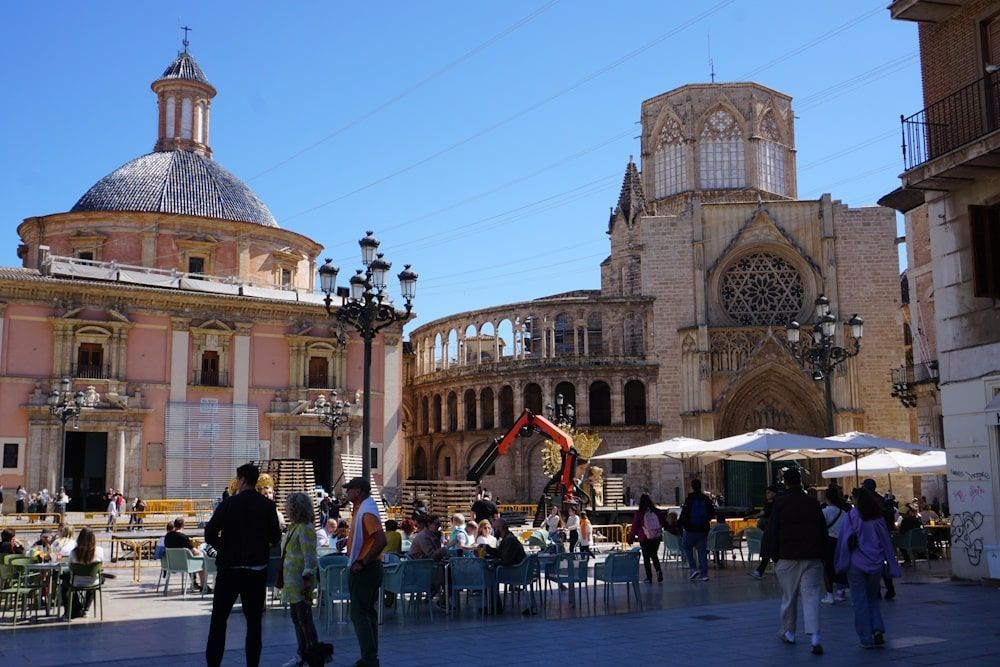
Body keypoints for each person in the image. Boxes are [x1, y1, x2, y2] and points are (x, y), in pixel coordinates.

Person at [205, 463, 282, 667]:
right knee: (254, 624)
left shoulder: (228, 504)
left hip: (229, 569)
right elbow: (275, 536)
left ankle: (213, 664)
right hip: (256, 570)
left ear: (240, 479)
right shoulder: (267, 506)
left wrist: (225, 547)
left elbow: (209, 533)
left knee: (219, 622)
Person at [765, 468, 826, 655]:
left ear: (785, 482)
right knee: (812, 596)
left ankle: (789, 632)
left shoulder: (780, 503)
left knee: (789, 596)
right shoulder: (812, 502)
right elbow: (822, 529)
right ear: (800, 481)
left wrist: (774, 555)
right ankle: (815, 637)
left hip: (788, 556)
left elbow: (773, 531)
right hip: (812, 556)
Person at [836, 487, 902, 649]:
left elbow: (843, 540)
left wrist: (839, 562)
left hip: (855, 565)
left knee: (859, 601)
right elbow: (886, 543)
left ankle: (866, 637)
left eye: (853, 498)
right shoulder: (877, 518)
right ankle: (878, 629)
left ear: (857, 499)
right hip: (875, 564)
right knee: (872, 598)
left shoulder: (851, 517)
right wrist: (892, 564)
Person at [280, 492, 332, 667]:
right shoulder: (294, 526)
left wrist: (307, 581)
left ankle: (314, 655)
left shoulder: (305, 528)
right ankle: (302, 653)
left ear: (295, 508)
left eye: (288, 506)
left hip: (300, 582)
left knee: (305, 619)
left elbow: (309, 558)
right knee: (297, 618)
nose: (285, 509)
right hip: (291, 581)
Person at [344, 476, 387, 667]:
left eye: (349, 489)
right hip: (368, 568)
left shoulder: (367, 512)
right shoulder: (361, 510)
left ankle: (369, 659)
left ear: (358, 491)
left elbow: (381, 540)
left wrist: (362, 561)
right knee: (367, 613)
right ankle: (370, 657)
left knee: (359, 614)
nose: (347, 492)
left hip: (366, 570)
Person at [484, 517, 536, 615]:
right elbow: (501, 553)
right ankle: (494, 606)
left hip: (516, 572)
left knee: (489, 576)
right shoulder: (508, 537)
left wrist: (495, 563)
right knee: (491, 572)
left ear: (500, 528)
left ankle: (495, 607)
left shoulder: (509, 540)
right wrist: (487, 548)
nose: (494, 532)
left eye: (495, 529)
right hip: (520, 570)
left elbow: (506, 560)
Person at [861, 478, 897, 600]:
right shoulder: (881, 499)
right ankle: (889, 588)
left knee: (874, 563)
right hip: (884, 535)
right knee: (883, 562)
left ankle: (876, 591)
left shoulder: (868, 501)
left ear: (866, 488)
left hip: (872, 536)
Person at [62, 527, 104, 618]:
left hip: (76, 582)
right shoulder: (99, 551)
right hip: (93, 581)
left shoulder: (73, 553)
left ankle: (68, 611)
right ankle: (86, 609)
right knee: (95, 578)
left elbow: (70, 567)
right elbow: (101, 564)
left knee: (64, 584)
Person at [821, 484, 850, 604]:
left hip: (829, 541)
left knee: (828, 568)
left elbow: (821, 527)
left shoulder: (824, 512)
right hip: (842, 541)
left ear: (826, 499)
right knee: (840, 566)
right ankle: (841, 592)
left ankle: (829, 595)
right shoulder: (843, 512)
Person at [679, 479, 713, 582]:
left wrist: (679, 525)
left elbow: (684, 514)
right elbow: (712, 512)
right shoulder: (706, 498)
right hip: (703, 530)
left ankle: (693, 568)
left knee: (686, 547)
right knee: (702, 552)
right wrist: (705, 520)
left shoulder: (689, 498)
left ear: (692, 487)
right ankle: (704, 574)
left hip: (690, 529)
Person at [628, 493, 665, 583]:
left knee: (646, 558)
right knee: (654, 555)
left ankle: (649, 577)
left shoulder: (639, 513)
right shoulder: (656, 511)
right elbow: (664, 523)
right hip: (656, 537)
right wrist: (674, 530)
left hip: (644, 538)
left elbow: (634, 526)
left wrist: (630, 539)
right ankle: (658, 570)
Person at [750, 485, 779, 579]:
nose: (767, 495)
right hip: (771, 531)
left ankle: (760, 571)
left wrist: (751, 517)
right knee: (769, 551)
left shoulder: (775, 504)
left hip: (772, 531)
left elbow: (762, 513)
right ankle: (760, 571)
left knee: (767, 550)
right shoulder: (770, 504)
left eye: (768, 492)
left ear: (774, 493)